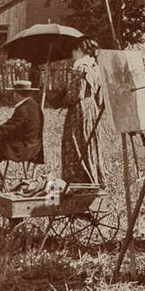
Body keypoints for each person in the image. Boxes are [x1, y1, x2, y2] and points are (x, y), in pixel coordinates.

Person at [60, 38, 104, 186]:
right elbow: (100, 96)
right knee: (88, 142)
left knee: (75, 142)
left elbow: (75, 94)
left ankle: (78, 181)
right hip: (91, 108)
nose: (72, 55)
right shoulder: (95, 67)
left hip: (79, 110)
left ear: (79, 49)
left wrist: (60, 100)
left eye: (73, 51)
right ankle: (93, 177)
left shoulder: (80, 67)